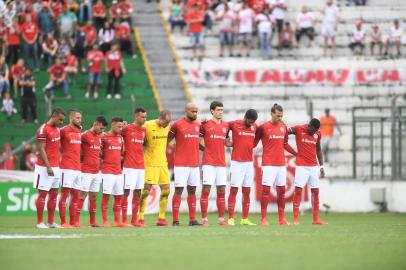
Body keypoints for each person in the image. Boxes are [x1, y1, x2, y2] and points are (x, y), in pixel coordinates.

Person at [254, 104, 296, 226]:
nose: (280, 118)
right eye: (278, 115)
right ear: (271, 114)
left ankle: (281, 219)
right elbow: (254, 142)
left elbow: (285, 144)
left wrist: (296, 153)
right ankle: (263, 219)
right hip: (268, 163)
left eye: (281, 116)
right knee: (266, 190)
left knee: (282, 190)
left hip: (281, 164)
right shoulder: (263, 127)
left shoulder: (283, 127)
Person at [168, 103, 202, 226]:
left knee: (192, 190)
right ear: (186, 111)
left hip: (194, 163)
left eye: (196, 111)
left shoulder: (199, 125)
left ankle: (192, 219)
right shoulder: (177, 125)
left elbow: (197, 143)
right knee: (179, 190)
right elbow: (167, 140)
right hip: (181, 164)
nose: (195, 114)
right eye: (193, 111)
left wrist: (207, 149)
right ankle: (175, 220)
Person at [288, 118, 327, 225]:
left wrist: (321, 166)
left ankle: (316, 219)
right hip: (301, 166)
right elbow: (285, 131)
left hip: (314, 167)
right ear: (309, 126)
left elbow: (318, 150)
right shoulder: (298, 128)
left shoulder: (317, 134)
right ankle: (295, 219)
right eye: (312, 130)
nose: (313, 133)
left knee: (315, 192)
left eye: (315, 131)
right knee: (298, 191)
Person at [138, 110, 172, 227]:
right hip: (150, 164)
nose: (167, 124)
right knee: (146, 190)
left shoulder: (167, 127)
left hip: (163, 163)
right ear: (161, 118)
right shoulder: (147, 125)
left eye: (169, 122)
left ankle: (161, 218)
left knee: (166, 190)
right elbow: (139, 140)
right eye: (166, 122)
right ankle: (140, 218)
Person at [33, 107, 66, 229]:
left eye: (63, 120)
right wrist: (48, 166)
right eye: (60, 120)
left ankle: (51, 222)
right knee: (43, 194)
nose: (61, 122)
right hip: (44, 167)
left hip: (56, 167)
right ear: (54, 116)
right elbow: (41, 149)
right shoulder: (43, 129)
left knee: (53, 195)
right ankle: (40, 222)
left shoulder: (57, 129)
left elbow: (57, 147)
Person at [199, 101, 230, 226]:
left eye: (222, 110)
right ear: (212, 111)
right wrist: (206, 150)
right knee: (206, 189)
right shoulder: (205, 125)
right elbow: (198, 140)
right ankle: (204, 219)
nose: (220, 112)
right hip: (208, 163)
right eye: (218, 110)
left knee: (221, 190)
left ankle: (221, 220)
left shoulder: (226, 126)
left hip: (221, 163)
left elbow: (227, 142)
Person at [227, 109, 258, 226]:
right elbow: (224, 127)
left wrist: (253, 144)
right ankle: (230, 218)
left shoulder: (255, 127)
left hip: (249, 163)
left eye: (253, 122)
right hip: (237, 162)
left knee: (247, 191)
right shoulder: (234, 124)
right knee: (234, 190)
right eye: (250, 121)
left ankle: (244, 218)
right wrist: (227, 139)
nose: (251, 124)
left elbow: (258, 135)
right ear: (245, 117)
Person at [77, 116, 108, 227]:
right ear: (95, 124)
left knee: (93, 196)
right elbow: (75, 146)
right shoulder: (84, 136)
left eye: (103, 129)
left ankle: (92, 222)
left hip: (96, 172)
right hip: (85, 171)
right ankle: (76, 221)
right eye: (101, 128)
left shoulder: (100, 136)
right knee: (82, 196)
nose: (102, 131)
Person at [121, 108, 147, 226]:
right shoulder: (126, 129)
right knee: (126, 192)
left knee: (137, 193)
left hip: (140, 166)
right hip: (129, 166)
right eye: (142, 117)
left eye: (145, 117)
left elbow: (145, 145)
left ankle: (134, 220)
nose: (144, 119)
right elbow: (116, 135)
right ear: (136, 116)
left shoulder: (144, 130)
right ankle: (124, 220)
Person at [58, 110, 82, 228]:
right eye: (77, 118)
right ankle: (63, 222)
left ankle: (73, 222)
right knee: (65, 195)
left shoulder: (79, 130)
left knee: (76, 196)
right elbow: (56, 145)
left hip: (77, 168)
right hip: (67, 167)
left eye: (80, 118)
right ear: (71, 118)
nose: (79, 120)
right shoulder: (63, 130)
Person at [100, 117, 125, 227]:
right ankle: (105, 221)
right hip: (107, 172)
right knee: (106, 197)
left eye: (122, 126)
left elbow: (122, 153)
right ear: (113, 125)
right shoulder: (104, 137)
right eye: (118, 126)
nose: (120, 128)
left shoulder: (120, 138)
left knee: (118, 197)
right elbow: (99, 153)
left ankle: (117, 221)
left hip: (118, 172)